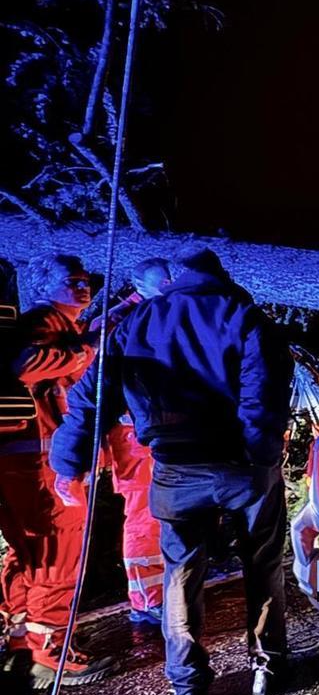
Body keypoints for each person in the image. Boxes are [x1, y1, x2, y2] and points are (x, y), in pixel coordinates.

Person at [51, 248, 293, 695]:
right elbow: (264, 393)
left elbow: (91, 398)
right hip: (241, 465)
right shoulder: (243, 316)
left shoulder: (137, 324)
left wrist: (69, 463)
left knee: (181, 574)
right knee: (262, 565)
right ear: (219, 276)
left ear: (172, 280)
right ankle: (268, 669)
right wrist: (259, 456)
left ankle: (187, 688)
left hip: (175, 467)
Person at [0, 254, 114, 685]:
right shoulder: (43, 322)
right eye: (73, 281)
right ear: (45, 284)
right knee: (58, 553)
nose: (84, 288)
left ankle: (21, 643)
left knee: (29, 553)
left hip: (24, 462)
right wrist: (87, 350)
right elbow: (25, 365)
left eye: (85, 281)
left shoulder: (57, 325)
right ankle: (51, 652)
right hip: (44, 464)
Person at [99, 258, 173, 626]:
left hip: (152, 430)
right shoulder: (122, 321)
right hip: (133, 435)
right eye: (165, 281)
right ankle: (146, 600)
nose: (171, 286)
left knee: (161, 513)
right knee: (145, 515)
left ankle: (161, 594)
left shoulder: (157, 314)